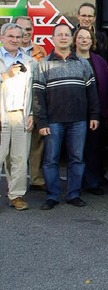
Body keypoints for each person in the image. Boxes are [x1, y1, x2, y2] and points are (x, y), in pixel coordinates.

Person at [33, 24, 100, 210]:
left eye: (66, 35)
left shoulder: (82, 63)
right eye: (59, 35)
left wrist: (94, 115)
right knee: (50, 160)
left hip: (78, 120)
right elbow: (37, 96)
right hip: (53, 121)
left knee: (77, 159)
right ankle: (52, 196)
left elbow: (92, 92)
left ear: (71, 39)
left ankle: (73, 194)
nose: (63, 37)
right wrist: (42, 121)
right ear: (53, 38)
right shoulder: (43, 64)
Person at [0, 23, 36, 211]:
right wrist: (5, 75)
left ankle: (16, 195)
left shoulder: (29, 62)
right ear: (2, 37)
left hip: (21, 115)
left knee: (20, 158)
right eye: (10, 36)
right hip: (2, 115)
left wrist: (31, 113)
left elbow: (33, 90)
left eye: (17, 37)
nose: (14, 40)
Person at [73, 27, 108, 196]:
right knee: (76, 150)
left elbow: (107, 88)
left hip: (97, 113)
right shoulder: (70, 60)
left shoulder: (100, 61)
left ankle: (92, 183)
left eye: (87, 38)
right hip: (75, 113)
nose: (84, 40)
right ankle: (77, 183)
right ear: (75, 40)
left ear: (92, 41)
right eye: (80, 37)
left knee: (94, 150)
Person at [13, 16, 45, 192]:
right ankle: (14, 185)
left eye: (28, 29)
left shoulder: (40, 53)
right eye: (21, 29)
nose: (25, 32)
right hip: (12, 107)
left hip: (34, 104)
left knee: (36, 144)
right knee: (12, 150)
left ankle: (36, 178)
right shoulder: (6, 52)